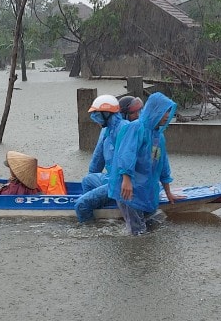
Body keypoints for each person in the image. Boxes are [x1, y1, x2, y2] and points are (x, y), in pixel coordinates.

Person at [106, 92, 183, 235]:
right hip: (128, 190)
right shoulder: (135, 128)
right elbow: (126, 154)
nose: (168, 115)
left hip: (145, 191)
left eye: (169, 112)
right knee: (138, 233)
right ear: (155, 110)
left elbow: (163, 165)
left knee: (156, 223)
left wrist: (168, 192)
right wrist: (126, 179)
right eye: (164, 111)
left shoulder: (158, 136)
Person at [74, 94, 142, 222]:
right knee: (88, 180)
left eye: (97, 115)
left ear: (107, 114)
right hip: (112, 178)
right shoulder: (106, 131)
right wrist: (94, 196)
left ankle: (90, 232)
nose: (95, 119)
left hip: (123, 182)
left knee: (81, 205)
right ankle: (104, 211)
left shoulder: (125, 128)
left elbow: (129, 159)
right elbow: (96, 162)